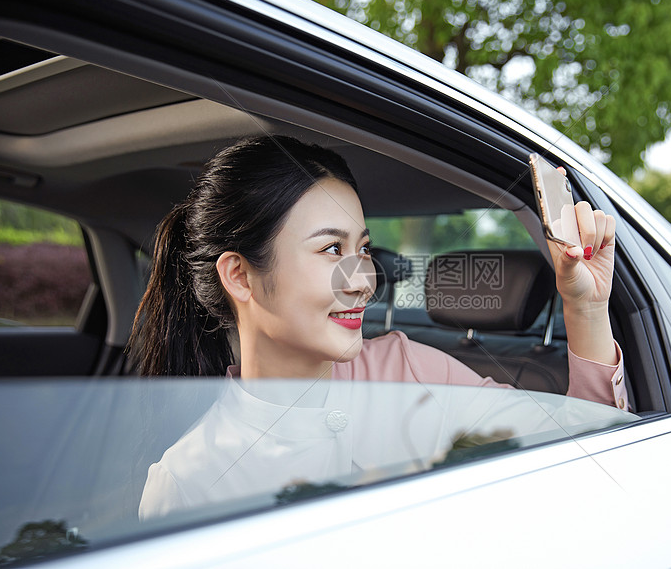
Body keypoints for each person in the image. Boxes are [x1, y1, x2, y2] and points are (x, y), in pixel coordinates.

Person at [130, 135, 632, 519]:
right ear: (240, 276)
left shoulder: (409, 370)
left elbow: (586, 457)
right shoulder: (186, 482)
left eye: (362, 249)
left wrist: (585, 310)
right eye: (332, 249)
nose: (364, 280)